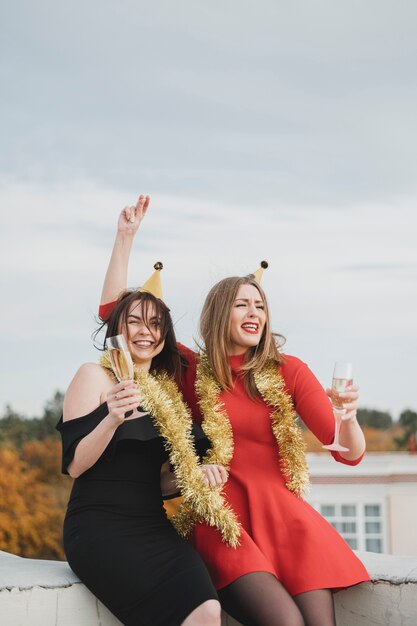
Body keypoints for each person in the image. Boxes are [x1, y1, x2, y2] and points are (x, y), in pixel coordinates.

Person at [99, 196, 370, 626]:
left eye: (260, 305)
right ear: (221, 313)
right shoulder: (192, 371)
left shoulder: (290, 371)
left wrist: (350, 417)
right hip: (223, 521)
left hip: (286, 520)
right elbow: (116, 316)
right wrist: (124, 238)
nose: (254, 313)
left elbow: (347, 451)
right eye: (243, 304)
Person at [57, 258, 231, 626]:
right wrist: (112, 418)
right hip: (98, 528)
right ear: (117, 327)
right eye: (134, 321)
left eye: (155, 324)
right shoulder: (94, 376)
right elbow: (74, 465)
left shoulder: (167, 397)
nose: (145, 331)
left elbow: (161, 482)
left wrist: (198, 476)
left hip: (153, 526)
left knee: (207, 611)